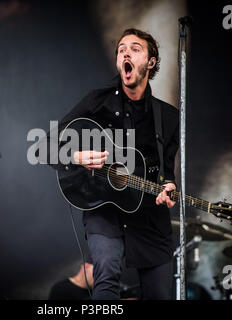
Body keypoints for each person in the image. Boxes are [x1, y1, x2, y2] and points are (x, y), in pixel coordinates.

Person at [46, 28, 179, 299]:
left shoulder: (168, 117)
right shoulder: (97, 101)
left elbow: (166, 173)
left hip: (149, 216)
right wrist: (76, 156)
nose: (125, 53)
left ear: (151, 63)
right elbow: (43, 147)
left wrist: (169, 187)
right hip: (103, 209)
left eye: (135, 48)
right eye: (121, 49)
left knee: (161, 294)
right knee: (105, 277)